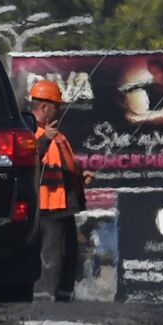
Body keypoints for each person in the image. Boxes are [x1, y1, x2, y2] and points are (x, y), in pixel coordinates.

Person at [29, 79, 93, 302]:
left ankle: (64, 304)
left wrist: (78, 179)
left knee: (67, 258)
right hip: (46, 208)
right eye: (57, 106)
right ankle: (45, 304)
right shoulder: (29, 132)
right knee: (51, 259)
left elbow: (61, 167)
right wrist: (45, 139)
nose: (60, 110)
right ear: (44, 107)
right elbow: (30, 158)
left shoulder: (58, 136)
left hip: (63, 206)